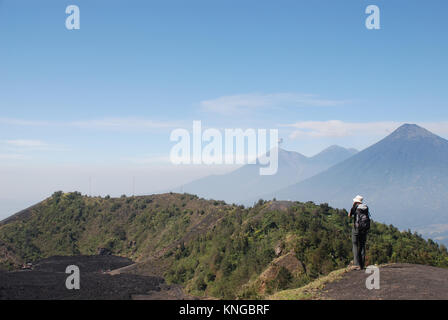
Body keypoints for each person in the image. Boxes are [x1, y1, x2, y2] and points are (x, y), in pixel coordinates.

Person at [348, 195, 370, 270]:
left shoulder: (355, 206)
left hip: (356, 229)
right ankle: (362, 264)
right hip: (364, 229)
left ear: (356, 201)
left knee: (355, 244)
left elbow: (349, 215)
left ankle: (356, 264)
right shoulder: (365, 207)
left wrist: (353, 207)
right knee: (362, 245)